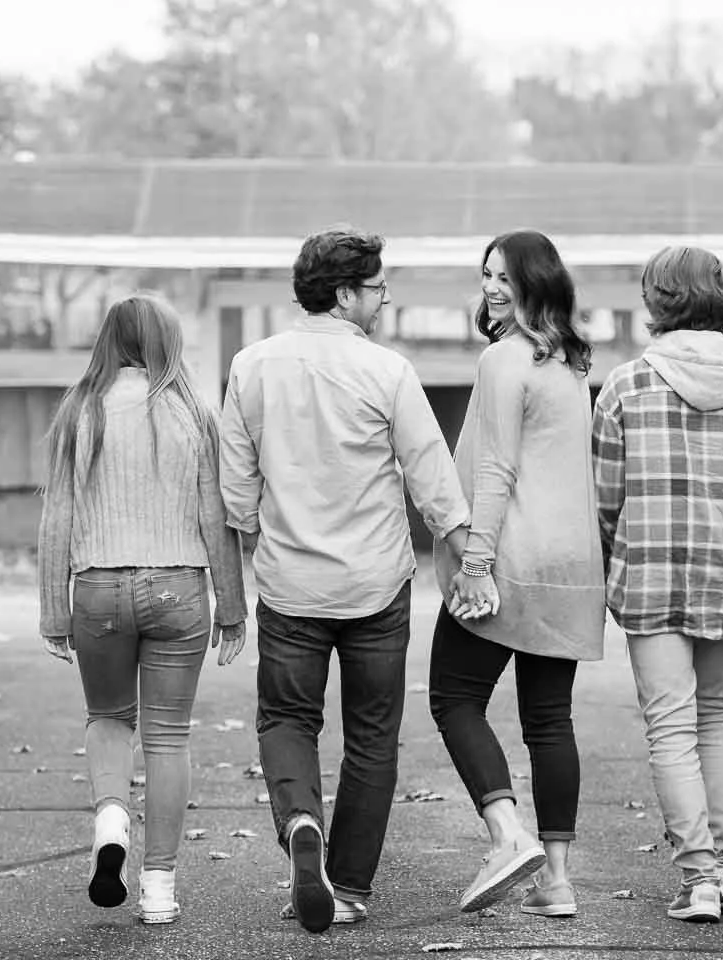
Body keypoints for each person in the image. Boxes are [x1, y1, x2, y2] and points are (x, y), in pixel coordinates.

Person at [219, 226, 470, 934]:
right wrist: (467, 554)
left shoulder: (251, 367)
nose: (383, 300)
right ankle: (351, 885)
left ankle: (302, 822)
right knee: (371, 734)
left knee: (288, 719)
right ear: (343, 294)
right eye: (376, 288)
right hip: (374, 585)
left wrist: (261, 538)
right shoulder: (386, 371)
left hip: (291, 585)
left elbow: (236, 494)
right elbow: (432, 476)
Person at [591, 246, 723, 924]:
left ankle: (698, 879)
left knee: (670, 726)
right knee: (712, 713)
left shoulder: (626, 385)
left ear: (657, 302)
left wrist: (599, 571)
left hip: (651, 574)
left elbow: (601, 497)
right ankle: (720, 866)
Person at [37, 293, 248, 925]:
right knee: (167, 736)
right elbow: (216, 515)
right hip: (179, 591)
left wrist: (54, 609)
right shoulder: (191, 413)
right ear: (166, 344)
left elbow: (59, 517)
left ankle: (110, 824)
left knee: (108, 718)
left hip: (97, 590)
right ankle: (159, 890)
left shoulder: (79, 410)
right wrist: (232, 605)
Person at [430, 229, 606, 917]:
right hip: (570, 565)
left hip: (509, 559)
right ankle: (555, 881)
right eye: (486, 276)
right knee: (549, 720)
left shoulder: (505, 360)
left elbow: (496, 469)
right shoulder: (569, 362)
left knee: (453, 698)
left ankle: (507, 837)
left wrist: (475, 561)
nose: (492, 287)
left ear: (538, 279)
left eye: (505, 275)